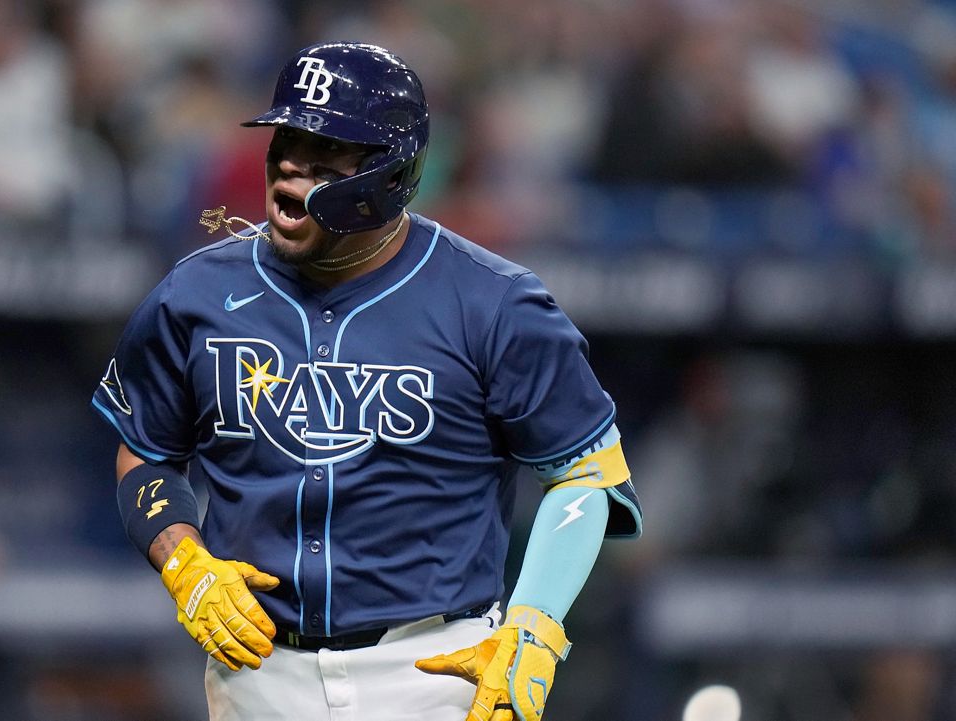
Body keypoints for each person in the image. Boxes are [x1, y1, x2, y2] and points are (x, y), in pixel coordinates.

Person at [92, 42, 641, 721]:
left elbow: (588, 474)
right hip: (257, 669)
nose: (293, 163)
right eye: (287, 139)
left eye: (326, 149)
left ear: (389, 171)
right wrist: (183, 560)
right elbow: (145, 449)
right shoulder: (196, 293)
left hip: (439, 666)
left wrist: (535, 624)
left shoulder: (493, 301)